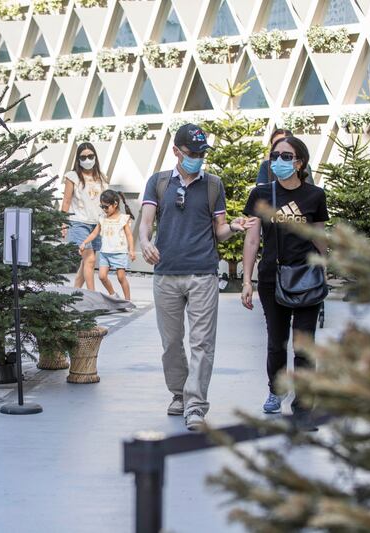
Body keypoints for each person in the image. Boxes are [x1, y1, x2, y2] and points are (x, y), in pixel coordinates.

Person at [139, 123, 253, 431]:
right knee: (171, 342)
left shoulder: (213, 185)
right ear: (176, 151)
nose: (198, 158)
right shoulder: (158, 183)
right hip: (166, 274)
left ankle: (195, 405)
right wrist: (145, 242)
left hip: (203, 273)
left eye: (202, 153)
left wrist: (235, 227)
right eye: (192, 153)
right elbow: (146, 222)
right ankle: (178, 394)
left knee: (202, 342)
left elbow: (220, 231)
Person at [241, 136, 328, 415]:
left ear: (300, 162)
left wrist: (324, 268)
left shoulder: (315, 195)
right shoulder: (261, 194)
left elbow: (319, 237)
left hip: (306, 277)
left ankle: (304, 400)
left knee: (304, 343)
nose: (278, 160)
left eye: (286, 156)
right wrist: (246, 281)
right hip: (271, 277)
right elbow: (252, 240)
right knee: (276, 343)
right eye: (275, 155)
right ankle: (276, 390)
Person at [61, 143, 109, 291]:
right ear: (78, 159)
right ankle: (91, 296)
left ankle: (75, 294)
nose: (87, 159)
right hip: (78, 223)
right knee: (90, 260)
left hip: (97, 224)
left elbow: (105, 200)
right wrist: (62, 223)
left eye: (90, 156)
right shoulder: (72, 176)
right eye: (83, 157)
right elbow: (67, 201)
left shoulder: (101, 176)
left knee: (86, 263)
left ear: (95, 157)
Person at [79, 190, 136, 300]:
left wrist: (132, 250)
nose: (104, 209)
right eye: (102, 206)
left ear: (115, 204)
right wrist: (84, 242)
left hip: (119, 252)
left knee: (121, 277)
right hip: (105, 253)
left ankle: (127, 300)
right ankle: (113, 295)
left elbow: (129, 236)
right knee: (102, 276)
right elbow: (95, 233)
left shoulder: (123, 219)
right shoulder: (102, 218)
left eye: (106, 207)